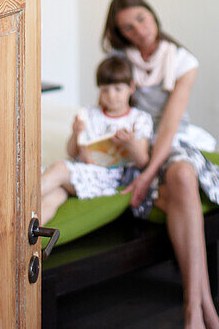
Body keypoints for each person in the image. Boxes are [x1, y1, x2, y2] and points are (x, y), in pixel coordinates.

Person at [102, 0, 219, 329]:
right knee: (185, 204)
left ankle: (194, 305)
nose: (138, 30)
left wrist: (148, 173)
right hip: (133, 143)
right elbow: (112, 110)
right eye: (127, 27)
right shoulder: (119, 62)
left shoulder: (183, 61)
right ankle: (210, 320)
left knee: (182, 172)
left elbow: (169, 125)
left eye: (141, 19)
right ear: (119, 33)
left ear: (153, 14)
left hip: (170, 141)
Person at [40, 54, 153, 224]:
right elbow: (72, 152)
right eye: (105, 90)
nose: (111, 96)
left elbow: (143, 161)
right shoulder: (90, 114)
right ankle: (22, 241)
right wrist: (75, 134)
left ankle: (16, 203)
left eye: (117, 89)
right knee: (52, 197)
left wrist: (130, 144)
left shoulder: (139, 119)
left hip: (111, 177)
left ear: (131, 87)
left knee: (59, 168)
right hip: (83, 171)